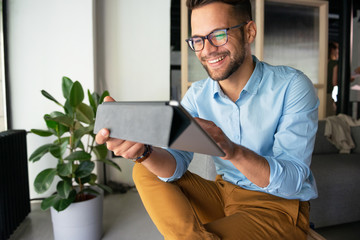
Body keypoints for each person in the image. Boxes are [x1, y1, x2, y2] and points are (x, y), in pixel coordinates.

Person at [96, 0, 319, 239]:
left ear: (249, 31)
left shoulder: (292, 86)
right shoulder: (197, 95)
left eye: (219, 34)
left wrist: (232, 151)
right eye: (198, 40)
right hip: (224, 195)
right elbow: (176, 165)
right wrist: (143, 152)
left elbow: (293, 181)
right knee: (144, 169)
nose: (207, 49)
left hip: (277, 208)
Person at [327, 41, 339, 116]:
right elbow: (334, 82)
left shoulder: (321, 62)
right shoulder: (334, 63)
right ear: (332, 50)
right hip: (328, 93)